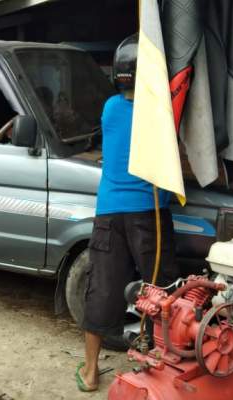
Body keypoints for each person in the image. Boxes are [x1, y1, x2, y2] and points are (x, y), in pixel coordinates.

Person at [75, 35, 180, 392]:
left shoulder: (109, 108)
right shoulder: (160, 109)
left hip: (108, 211)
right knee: (160, 290)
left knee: (102, 288)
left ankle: (90, 372)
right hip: (147, 213)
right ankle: (158, 367)